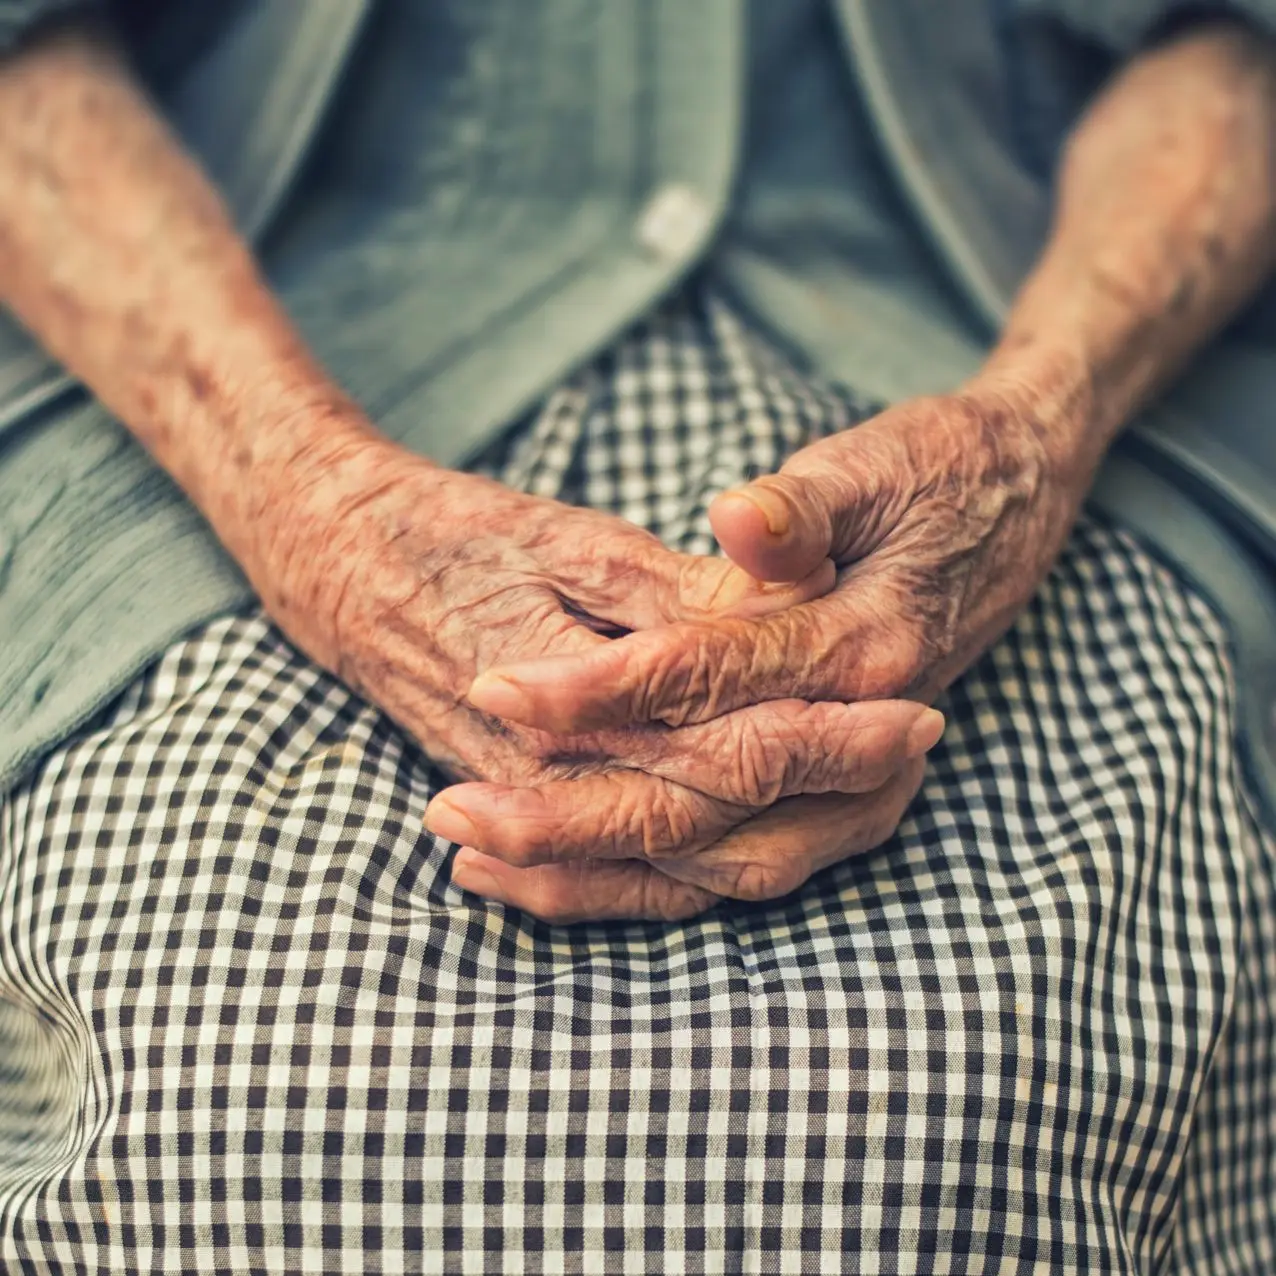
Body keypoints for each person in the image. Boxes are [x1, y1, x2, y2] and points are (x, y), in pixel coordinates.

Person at [0, 0, 1274, 1269]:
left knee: (967, 1117)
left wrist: (1038, 429)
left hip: (1017, 372)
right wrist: (306, 497)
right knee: (237, 1110)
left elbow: (1236, 54)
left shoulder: (1022, 443)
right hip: (229, 386)